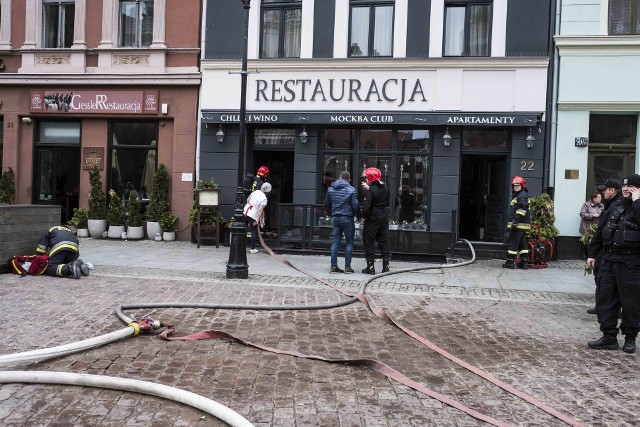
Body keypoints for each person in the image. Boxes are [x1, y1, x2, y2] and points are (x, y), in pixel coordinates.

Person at [586, 174, 640, 353]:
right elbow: (601, 231)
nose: (626, 189)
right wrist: (592, 254)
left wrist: (637, 202)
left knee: (631, 303)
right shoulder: (616, 207)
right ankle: (609, 337)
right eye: (625, 186)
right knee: (605, 299)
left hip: (631, 263)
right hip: (609, 260)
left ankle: (630, 338)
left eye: (631, 186)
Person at [586, 179, 622, 314]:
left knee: (604, 278)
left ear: (612, 190)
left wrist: (592, 254)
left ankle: (611, 309)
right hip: (606, 249)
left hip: (608, 250)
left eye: (605, 189)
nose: (602, 192)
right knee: (601, 277)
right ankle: (604, 306)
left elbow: (602, 231)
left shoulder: (616, 205)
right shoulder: (611, 204)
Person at [323, 171, 360, 274]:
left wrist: (332, 213)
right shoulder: (351, 190)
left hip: (336, 218)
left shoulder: (331, 189)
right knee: (349, 242)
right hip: (347, 218)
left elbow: (326, 204)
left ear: (339, 177)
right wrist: (358, 216)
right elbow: (356, 205)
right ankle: (347, 267)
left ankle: (333, 266)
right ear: (349, 179)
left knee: (335, 242)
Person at [360, 167, 390, 274]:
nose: (365, 180)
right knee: (383, 241)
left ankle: (370, 267)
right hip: (383, 216)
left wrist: (364, 216)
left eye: (366, 178)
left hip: (373, 218)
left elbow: (367, 206)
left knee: (369, 241)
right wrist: (370, 189)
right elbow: (379, 194)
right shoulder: (384, 187)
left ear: (370, 178)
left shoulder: (371, 190)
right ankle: (386, 267)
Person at [502, 176, 531, 269]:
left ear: (522, 185)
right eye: (514, 186)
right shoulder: (522, 195)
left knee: (512, 244)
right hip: (521, 226)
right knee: (522, 244)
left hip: (517, 225)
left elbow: (522, 209)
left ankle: (510, 263)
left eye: (518, 185)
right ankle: (524, 263)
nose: (516, 187)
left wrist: (515, 221)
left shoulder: (521, 196)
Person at [243, 182, 271, 254]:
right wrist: (257, 219)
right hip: (252, 214)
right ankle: (252, 248)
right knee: (253, 231)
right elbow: (260, 210)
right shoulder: (264, 199)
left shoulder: (256, 191)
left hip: (245, 211)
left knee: (243, 229)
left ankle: (241, 245)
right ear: (268, 191)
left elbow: (248, 200)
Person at [579, 192, 604, 258]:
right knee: (587, 243)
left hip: (596, 227)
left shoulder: (601, 205)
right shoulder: (586, 204)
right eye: (599, 197)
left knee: (595, 242)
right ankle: (586, 256)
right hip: (587, 226)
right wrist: (592, 215)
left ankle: (593, 256)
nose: (600, 199)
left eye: (601, 197)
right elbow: (582, 214)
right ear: (594, 198)